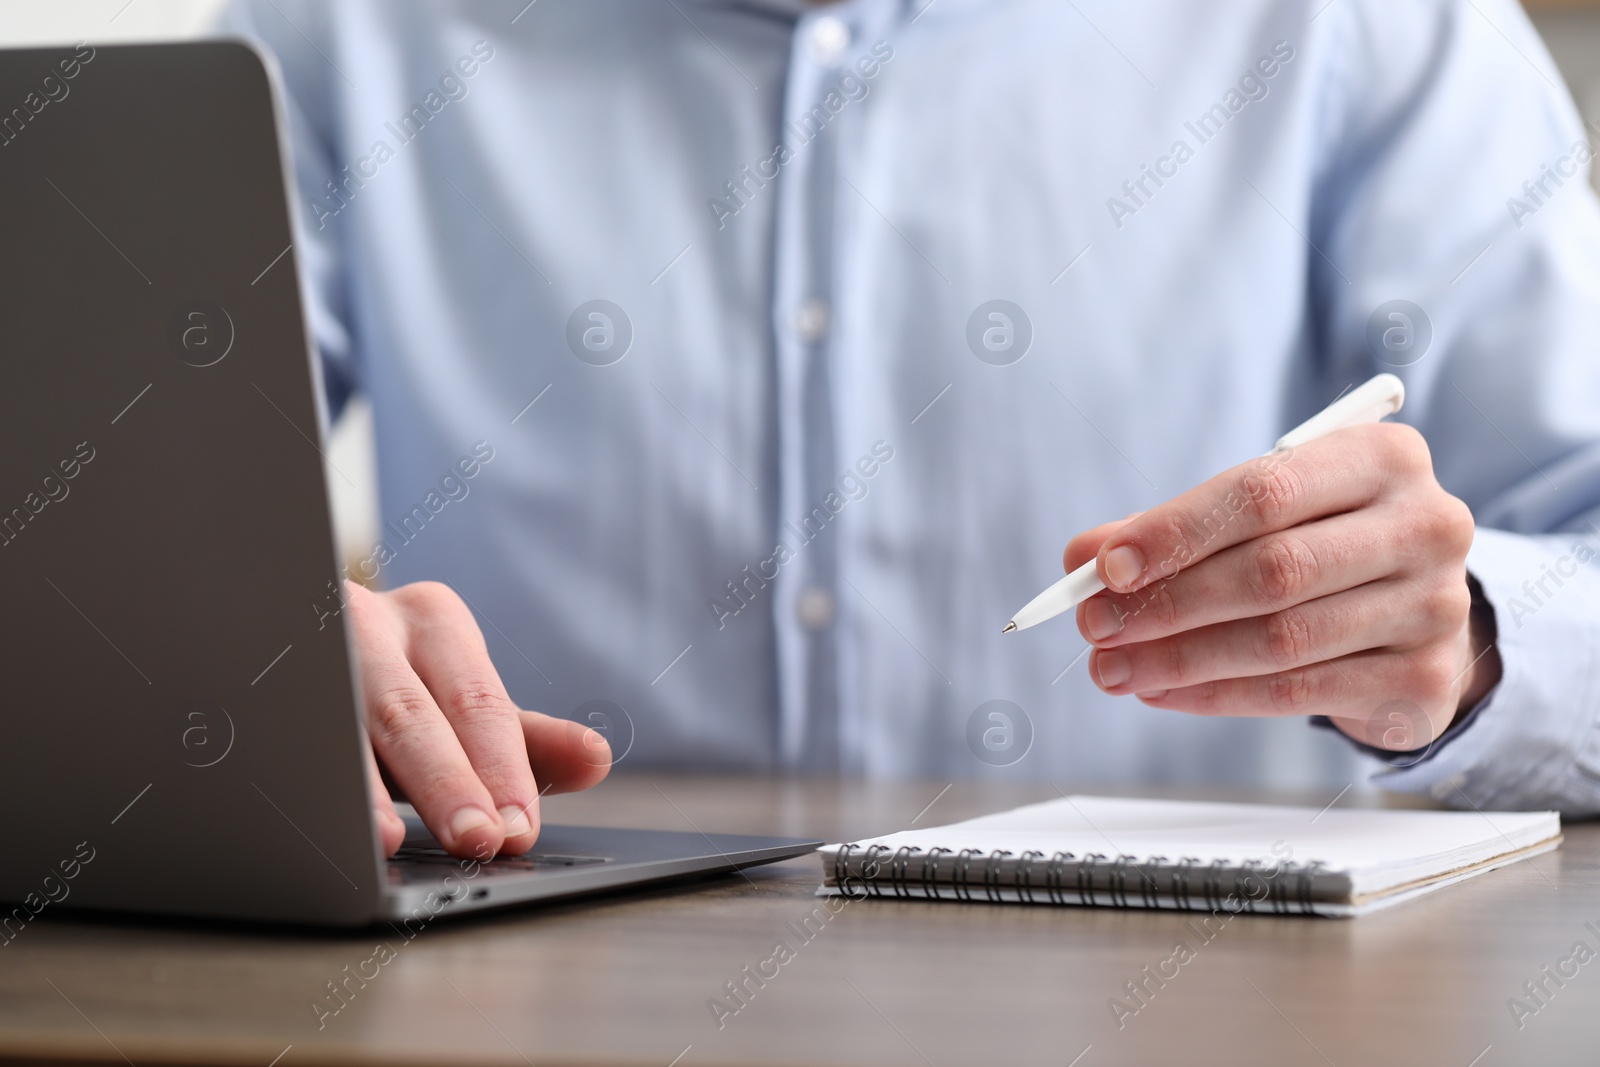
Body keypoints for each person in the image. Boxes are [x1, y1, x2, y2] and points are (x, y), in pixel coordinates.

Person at [220, 0, 1600, 858]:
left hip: (1204, 1001)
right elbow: (82, 537)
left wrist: (1468, 644)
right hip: (526, 1006)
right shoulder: (339, 31)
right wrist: (244, 651)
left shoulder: (1376, 26)